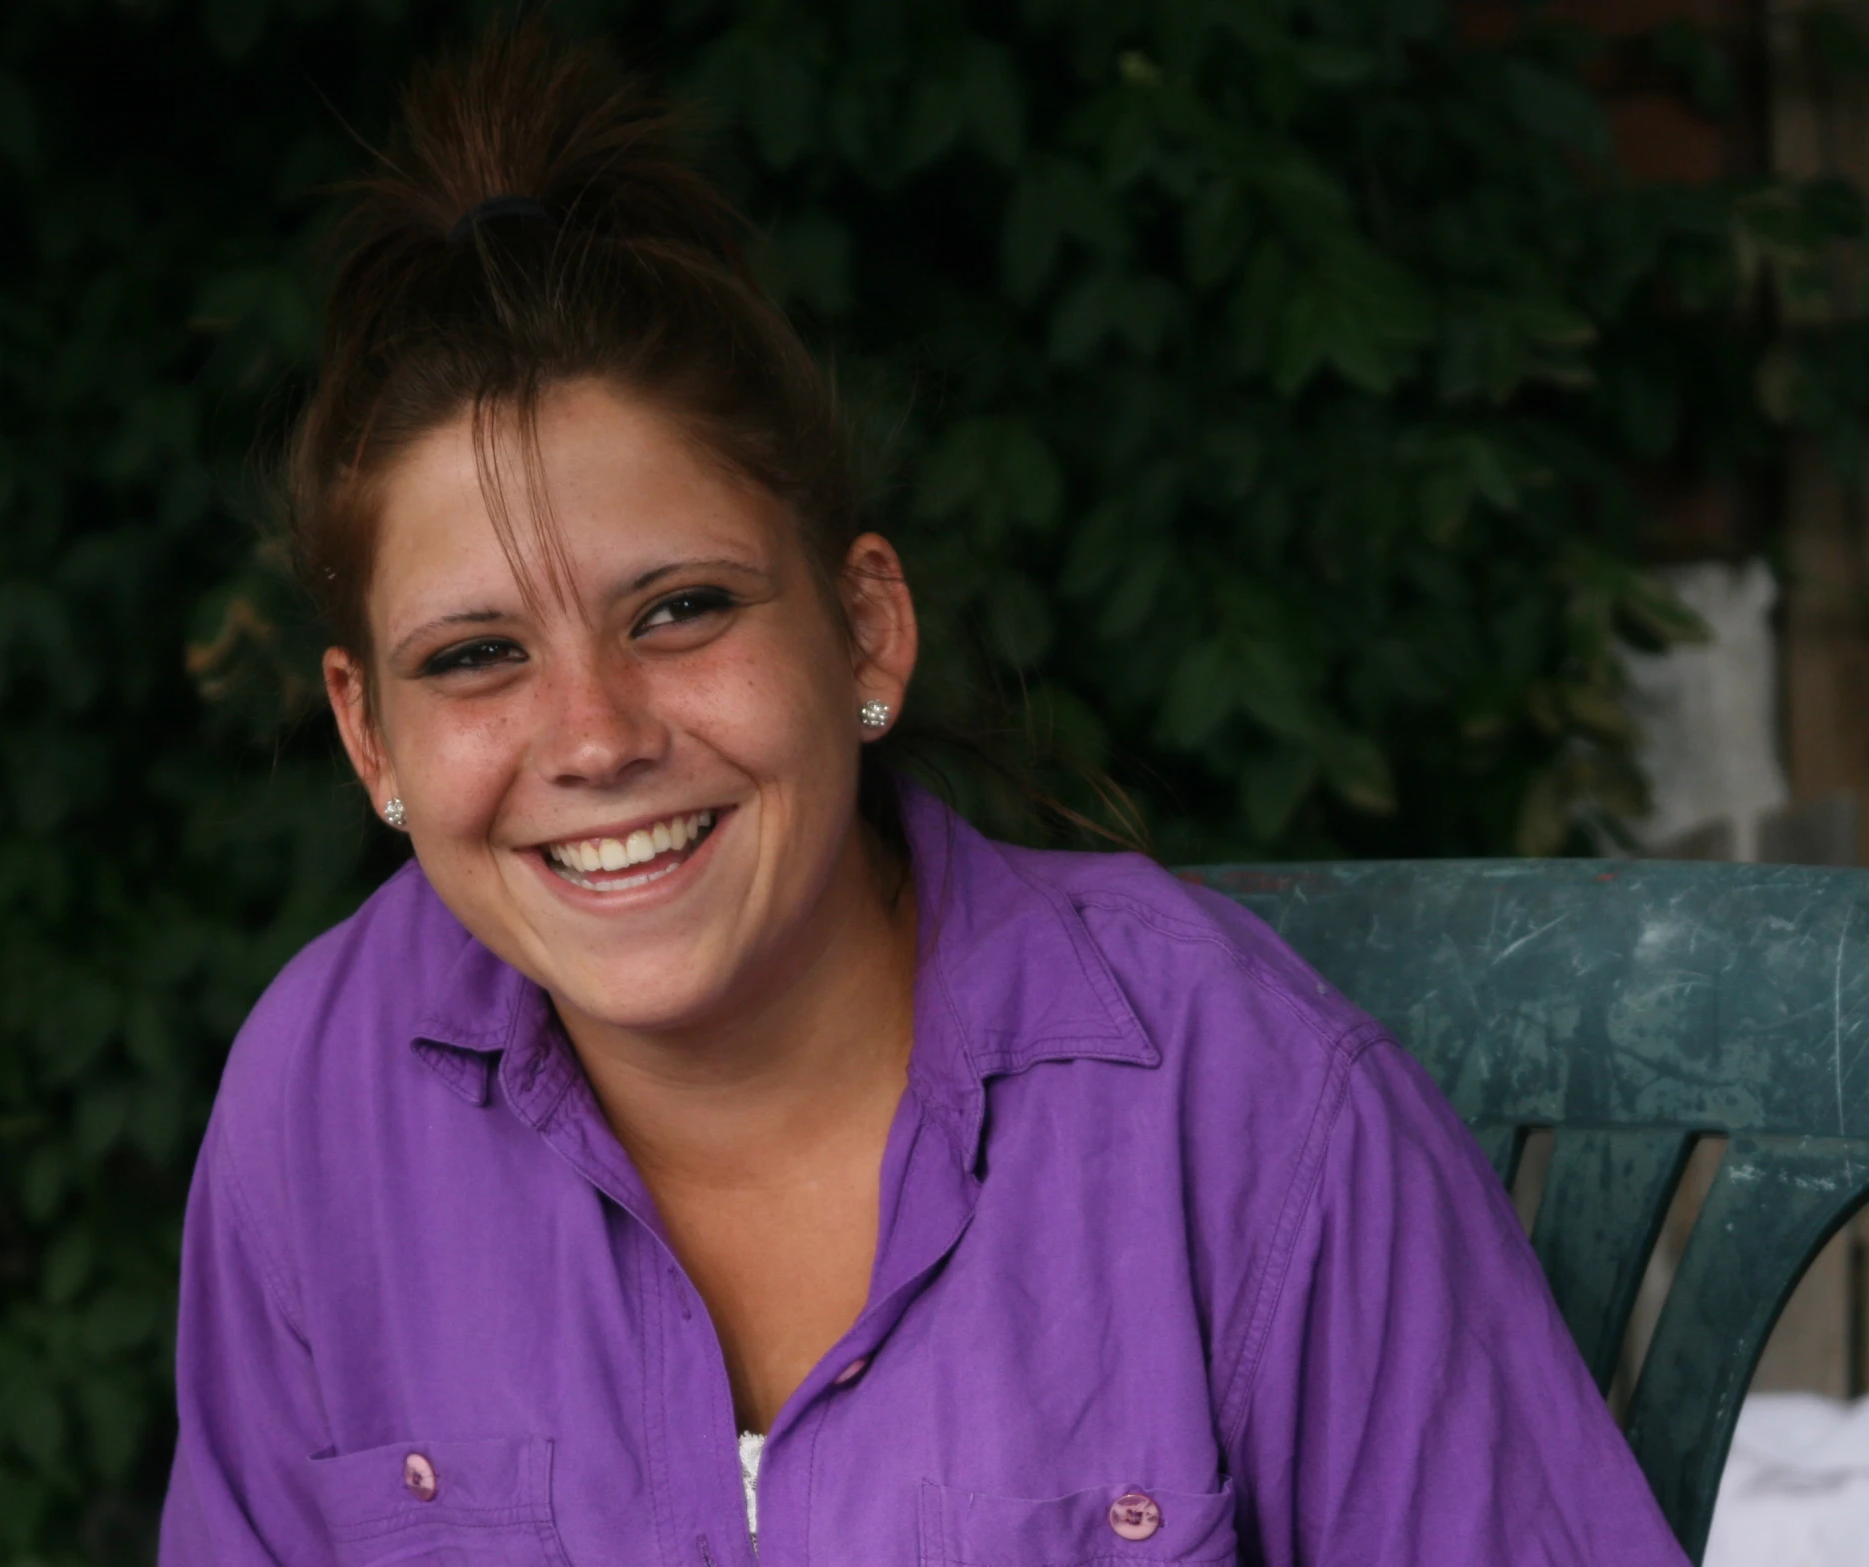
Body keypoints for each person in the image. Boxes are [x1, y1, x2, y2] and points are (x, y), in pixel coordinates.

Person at [159, 25, 1689, 1567]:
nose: (592, 735)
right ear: (369, 739)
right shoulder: (324, 1100)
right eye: (477, 654)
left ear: (866, 630)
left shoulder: (1236, 1110)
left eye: (679, 609)